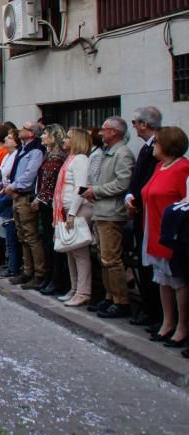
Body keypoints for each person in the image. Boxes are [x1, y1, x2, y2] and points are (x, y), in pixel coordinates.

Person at [139, 127, 189, 346]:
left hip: (172, 231)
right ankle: (167, 322)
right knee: (162, 278)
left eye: (156, 142)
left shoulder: (182, 168)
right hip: (154, 227)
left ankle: (182, 326)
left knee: (177, 279)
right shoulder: (160, 166)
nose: (153, 146)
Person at [83, 116, 136, 319]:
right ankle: (109, 296)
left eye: (104, 129)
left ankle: (120, 300)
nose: (101, 133)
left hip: (112, 212)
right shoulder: (108, 153)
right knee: (104, 258)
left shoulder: (122, 154)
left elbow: (122, 184)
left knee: (111, 259)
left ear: (114, 132)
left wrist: (95, 191)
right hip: (101, 211)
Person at [125, 106, 164, 328]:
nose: (134, 127)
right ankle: (149, 309)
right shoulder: (145, 148)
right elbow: (138, 178)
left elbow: (151, 181)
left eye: (135, 123)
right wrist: (131, 195)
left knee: (151, 266)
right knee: (143, 261)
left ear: (144, 124)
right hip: (138, 210)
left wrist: (136, 200)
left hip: (149, 214)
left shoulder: (157, 148)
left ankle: (155, 311)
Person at [53, 127, 93, 307]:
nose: (64, 140)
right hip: (65, 209)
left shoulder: (81, 160)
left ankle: (83, 291)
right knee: (70, 250)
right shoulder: (70, 159)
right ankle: (74, 287)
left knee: (79, 252)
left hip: (76, 210)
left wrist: (72, 213)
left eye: (68, 137)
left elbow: (80, 187)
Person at [4, 121, 46, 290]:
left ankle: (39, 273)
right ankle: (27, 270)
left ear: (30, 133)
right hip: (16, 195)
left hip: (25, 195)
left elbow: (30, 174)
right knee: (22, 236)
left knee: (31, 236)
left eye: (24, 128)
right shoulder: (23, 149)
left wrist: (13, 186)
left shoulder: (36, 150)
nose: (20, 130)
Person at [34, 124, 69, 296]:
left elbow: (51, 183)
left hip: (52, 205)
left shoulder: (58, 157)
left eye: (45, 134)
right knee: (46, 242)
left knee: (53, 243)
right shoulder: (49, 155)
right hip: (45, 203)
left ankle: (57, 280)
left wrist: (40, 198)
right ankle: (49, 277)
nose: (41, 136)